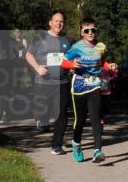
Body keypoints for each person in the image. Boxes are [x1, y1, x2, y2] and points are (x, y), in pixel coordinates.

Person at [25, 11, 75, 154]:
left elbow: (74, 56)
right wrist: (37, 67)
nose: (59, 24)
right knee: (42, 111)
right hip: (43, 82)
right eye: (56, 20)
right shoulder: (40, 37)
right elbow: (28, 55)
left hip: (62, 82)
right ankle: (41, 119)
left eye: (62, 21)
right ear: (50, 22)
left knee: (61, 115)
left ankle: (56, 145)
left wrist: (72, 66)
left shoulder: (69, 39)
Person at [61, 18, 107, 164]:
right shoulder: (76, 47)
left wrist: (109, 65)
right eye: (86, 30)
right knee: (80, 120)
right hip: (79, 86)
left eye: (93, 30)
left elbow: (101, 62)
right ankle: (76, 145)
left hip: (95, 84)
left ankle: (97, 151)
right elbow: (63, 62)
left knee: (96, 118)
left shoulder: (100, 46)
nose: (90, 33)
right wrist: (72, 64)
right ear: (81, 32)